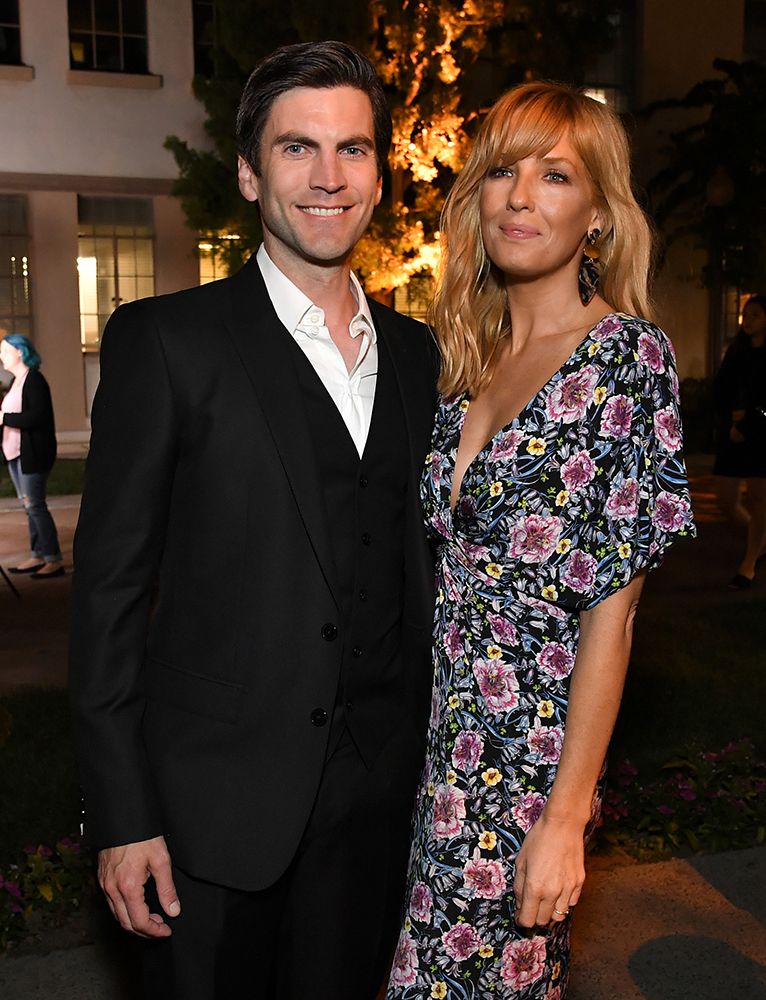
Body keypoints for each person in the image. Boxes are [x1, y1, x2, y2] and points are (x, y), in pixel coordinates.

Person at [69, 41, 438, 1000]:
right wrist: (121, 813)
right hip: (207, 818)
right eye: (296, 149)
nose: (328, 177)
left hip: (375, 809)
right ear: (247, 171)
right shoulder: (168, 343)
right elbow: (107, 599)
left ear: (378, 173)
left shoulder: (420, 356)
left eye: (353, 150)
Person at [386, 82, 695, 999]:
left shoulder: (624, 364)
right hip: (439, 754)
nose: (521, 196)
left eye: (555, 176)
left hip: (523, 774)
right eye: (503, 171)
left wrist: (564, 819)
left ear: (597, 215)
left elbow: (614, 618)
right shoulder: (469, 360)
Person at [712, 293, 766, 589]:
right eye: (747, 314)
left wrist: (750, 419)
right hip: (732, 434)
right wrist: (730, 421)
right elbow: (722, 389)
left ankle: (748, 565)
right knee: (726, 499)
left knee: (759, 499)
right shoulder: (736, 351)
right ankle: (759, 543)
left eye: (756, 314)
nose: (749, 320)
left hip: (760, 434)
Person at [0, 332, 64, 578]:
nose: (1, 356)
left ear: (19, 351)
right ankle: (38, 554)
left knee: (35, 505)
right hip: (15, 453)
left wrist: (3, 418)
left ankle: (53, 559)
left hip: (33, 454)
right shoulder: (17, 382)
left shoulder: (34, 380)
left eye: (5, 350)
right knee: (29, 506)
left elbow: (37, 417)